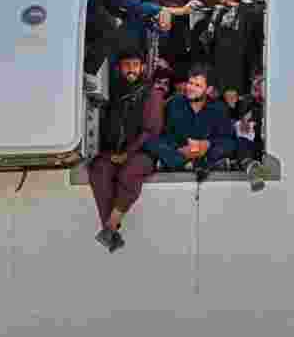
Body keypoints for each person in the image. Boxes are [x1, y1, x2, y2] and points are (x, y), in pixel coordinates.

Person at [88, 47, 165, 253]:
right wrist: (110, 152)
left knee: (129, 173)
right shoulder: (113, 92)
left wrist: (127, 153)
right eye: (126, 65)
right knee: (98, 168)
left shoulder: (152, 93)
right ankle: (110, 231)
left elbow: (151, 131)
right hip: (115, 152)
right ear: (119, 68)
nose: (131, 69)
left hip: (143, 153)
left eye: (135, 65)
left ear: (142, 68)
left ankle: (111, 224)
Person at [143, 64, 236, 182]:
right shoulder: (174, 104)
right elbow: (164, 135)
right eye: (190, 83)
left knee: (230, 145)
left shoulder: (219, 108)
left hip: (206, 153)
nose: (191, 88)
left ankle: (195, 163)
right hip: (178, 152)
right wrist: (183, 151)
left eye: (197, 85)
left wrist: (207, 144)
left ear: (209, 90)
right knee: (150, 142)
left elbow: (228, 140)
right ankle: (188, 163)